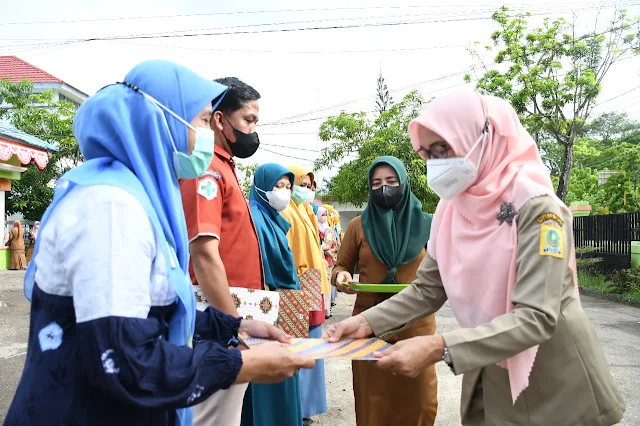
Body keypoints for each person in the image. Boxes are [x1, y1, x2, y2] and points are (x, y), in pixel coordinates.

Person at [4, 60, 314, 426]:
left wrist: (232, 327)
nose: (207, 133)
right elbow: (121, 355)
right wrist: (239, 363)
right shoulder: (110, 206)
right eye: (201, 120)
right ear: (160, 121)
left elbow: (148, 307)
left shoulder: (134, 196)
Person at [325, 91, 625, 426]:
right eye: (429, 154)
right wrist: (366, 323)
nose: (436, 164)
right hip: (490, 368)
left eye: (444, 149)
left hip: (553, 382)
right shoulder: (451, 210)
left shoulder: (538, 210)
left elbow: (536, 316)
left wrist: (439, 346)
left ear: (482, 139)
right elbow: (427, 289)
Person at [179, 77, 264, 426]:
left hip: (230, 314)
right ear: (219, 120)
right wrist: (234, 326)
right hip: (219, 318)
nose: (253, 130)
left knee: (227, 414)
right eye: (248, 119)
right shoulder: (207, 170)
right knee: (211, 417)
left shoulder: (224, 165)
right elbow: (203, 253)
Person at [331, 156, 438, 426]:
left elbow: (445, 272)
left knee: (420, 402)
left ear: (404, 183)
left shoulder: (429, 225)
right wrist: (341, 277)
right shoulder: (358, 225)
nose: (384, 188)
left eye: (391, 182)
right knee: (374, 404)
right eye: (377, 183)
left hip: (416, 326)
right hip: (367, 327)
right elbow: (341, 266)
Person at [241, 163, 303, 426]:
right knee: (269, 383)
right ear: (261, 186)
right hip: (264, 311)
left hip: (281, 310)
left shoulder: (273, 219)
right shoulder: (254, 216)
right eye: (278, 186)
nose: (284, 192)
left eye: (288, 187)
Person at [280, 165, 328, 425]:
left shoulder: (305, 210)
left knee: (312, 345)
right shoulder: (286, 209)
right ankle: (297, 409)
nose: (306, 191)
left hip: (312, 285)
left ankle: (307, 407)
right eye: (302, 184)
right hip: (297, 286)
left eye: (310, 186)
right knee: (300, 347)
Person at [317, 206, 337, 318]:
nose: (324, 217)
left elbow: (330, 245)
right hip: (320, 260)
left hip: (327, 261)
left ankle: (326, 311)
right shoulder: (315, 227)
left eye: (326, 215)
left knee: (327, 287)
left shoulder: (328, 229)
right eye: (322, 215)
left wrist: (322, 248)